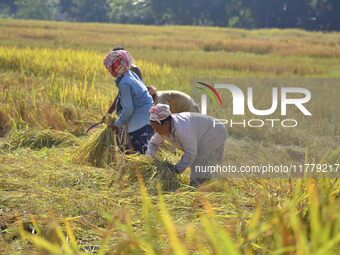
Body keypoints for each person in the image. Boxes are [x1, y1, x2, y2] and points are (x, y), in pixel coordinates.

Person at [146, 104, 227, 187]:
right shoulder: (163, 129)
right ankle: (211, 183)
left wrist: (176, 169)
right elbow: (153, 144)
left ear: (166, 124)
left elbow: (191, 152)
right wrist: (148, 159)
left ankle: (196, 190)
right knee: (206, 167)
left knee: (199, 163)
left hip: (214, 131)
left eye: (156, 127)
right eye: (153, 127)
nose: (155, 130)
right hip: (203, 134)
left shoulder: (182, 128)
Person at [103, 49, 153, 154]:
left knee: (140, 155)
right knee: (145, 153)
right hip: (147, 118)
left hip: (139, 123)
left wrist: (117, 124)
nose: (109, 71)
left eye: (111, 67)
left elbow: (129, 109)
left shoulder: (124, 83)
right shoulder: (130, 74)